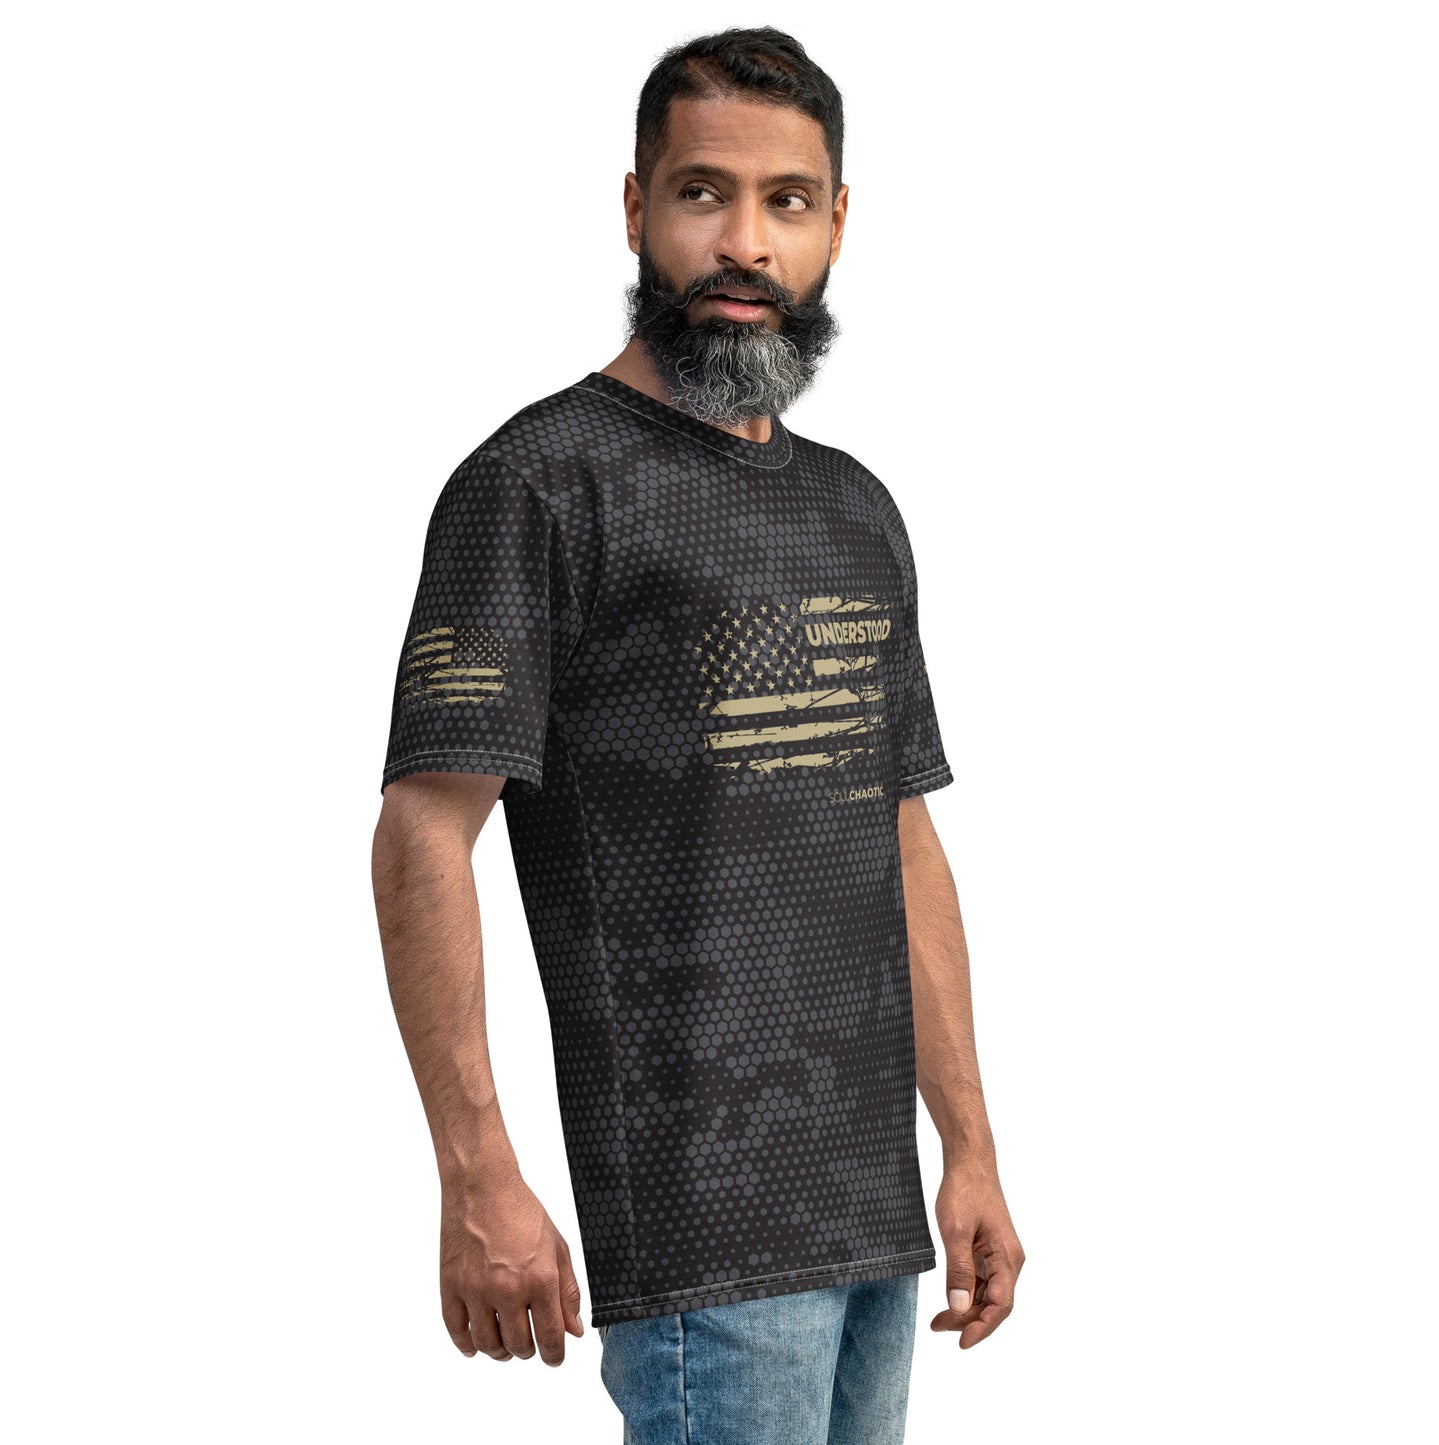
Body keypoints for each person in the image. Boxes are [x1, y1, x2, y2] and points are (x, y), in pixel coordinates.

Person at [371, 25, 1024, 1444]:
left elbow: (900, 838)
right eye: (700, 194)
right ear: (634, 208)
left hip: (872, 1218)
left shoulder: (855, 508)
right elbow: (424, 828)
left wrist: (968, 1146)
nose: (743, 242)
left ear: (836, 223)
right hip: (696, 1234)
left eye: (785, 201)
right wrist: (476, 1173)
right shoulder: (537, 484)